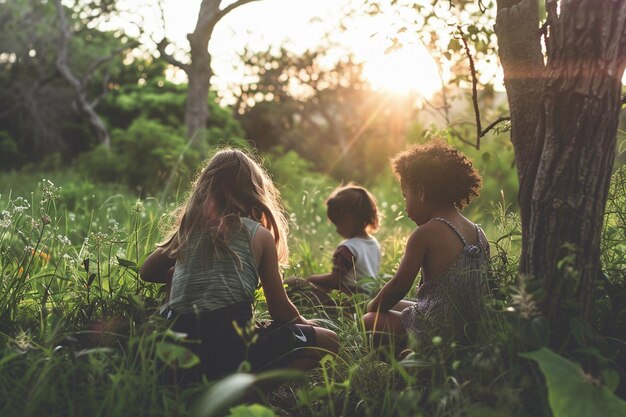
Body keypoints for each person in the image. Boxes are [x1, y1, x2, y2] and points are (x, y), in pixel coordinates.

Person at [140, 148, 338, 380]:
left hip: (181, 348)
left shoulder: (189, 231)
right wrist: (306, 323)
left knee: (173, 273)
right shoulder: (258, 234)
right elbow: (280, 310)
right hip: (234, 347)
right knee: (328, 340)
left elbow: (147, 271)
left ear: (204, 190)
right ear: (254, 191)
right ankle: (250, 392)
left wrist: (175, 274)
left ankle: (208, 385)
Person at [363, 140, 490, 348]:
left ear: (421, 192)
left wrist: (372, 306)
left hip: (436, 332)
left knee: (370, 320)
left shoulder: (425, 234)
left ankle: (410, 367)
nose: (405, 207)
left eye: (406, 197)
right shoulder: (478, 232)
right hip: (470, 330)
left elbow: (398, 286)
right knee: (396, 306)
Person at [286, 184, 381, 299]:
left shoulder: (348, 248)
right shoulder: (373, 243)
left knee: (292, 283)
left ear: (348, 219)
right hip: (368, 300)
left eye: (337, 224)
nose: (337, 230)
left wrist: (311, 279)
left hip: (347, 302)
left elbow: (334, 281)